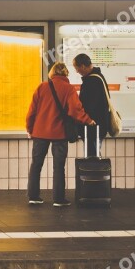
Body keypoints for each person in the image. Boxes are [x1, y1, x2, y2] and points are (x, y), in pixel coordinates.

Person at [26, 62, 95, 207]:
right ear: (66, 74)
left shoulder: (42, 87)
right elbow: (76, 110)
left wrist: (30, 129)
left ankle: (33, 196)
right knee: (58, 166)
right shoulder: (69, 89)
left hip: (40, 132)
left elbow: (32, 111)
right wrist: (88, 120)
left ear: (52, 73)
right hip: (59, 133)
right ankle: (58, 199)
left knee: (36, 164)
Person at [73, 53, 112, 158]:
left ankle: (94, 175)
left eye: (77, 68)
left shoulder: (92, 81)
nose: (77, 71)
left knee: (92, 159)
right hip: (98, 127)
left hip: (92, 128)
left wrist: (80, 116)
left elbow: (89, 106)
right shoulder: (98, 77)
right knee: (94, 156)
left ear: (83, 66)